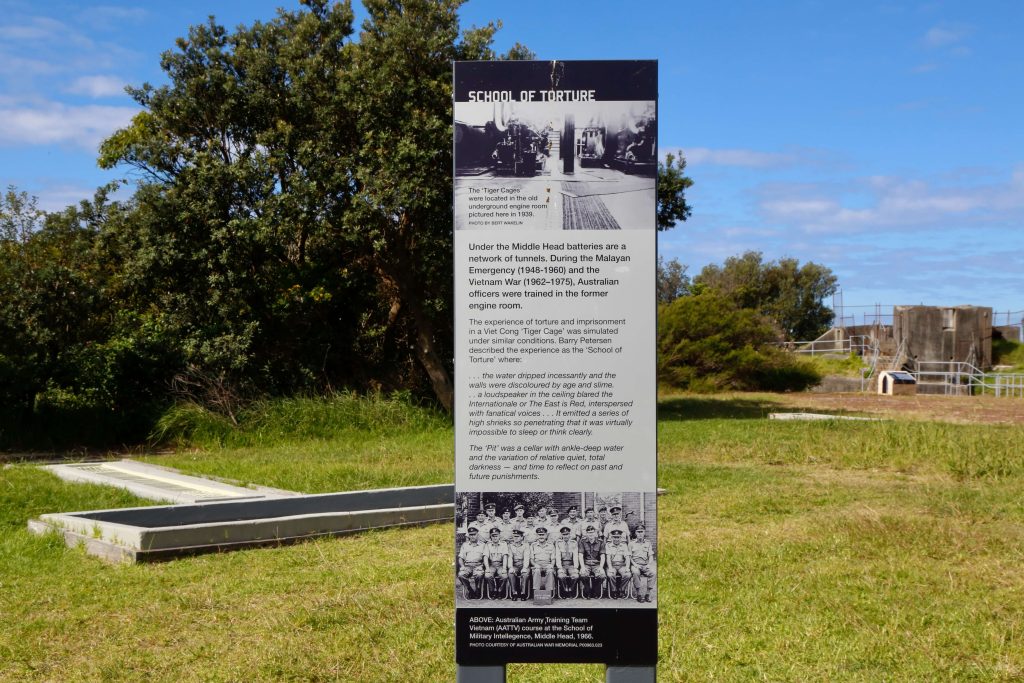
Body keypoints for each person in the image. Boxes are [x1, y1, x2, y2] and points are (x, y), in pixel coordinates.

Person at [577, 523, 606, 599]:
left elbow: (602, 556)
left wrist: (601, 567)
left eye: (592, 532)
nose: (591, 534)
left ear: (596, 533)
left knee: (602, 576)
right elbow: (580, 555)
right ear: (586, 533)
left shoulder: (600, 542)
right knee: (583, 575)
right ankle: (587, 591)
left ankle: (595, 590)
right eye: (589, 532)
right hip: (586, 563)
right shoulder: (582, 541)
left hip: (596, 564)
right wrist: (582, 567)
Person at [457, 527, 486, 598]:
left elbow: (485, 558)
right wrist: (462, 567)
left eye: (474, 534)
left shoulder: (483, 545)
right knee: (461, 575)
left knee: (479, 574)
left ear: (477, 535)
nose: (472, 536)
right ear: (469, 535)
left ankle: (478, 590)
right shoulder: (465, 545)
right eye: (471, 535)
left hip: (478, 565)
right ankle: (470, 589)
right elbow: (461, 558)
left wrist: (482, 566)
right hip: (467, 566)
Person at [629, 524, 655, 603]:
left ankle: (648, 593)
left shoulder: (648, 543)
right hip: (635, 565)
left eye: (641, 532)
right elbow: (629, 557)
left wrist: (649, 565)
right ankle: (639, 594)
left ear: (644, 532)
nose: (640, 533)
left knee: (653, 572)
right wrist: (635, 564)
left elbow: (651, 556)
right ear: (635, 533)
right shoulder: (631, 543)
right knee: (636, 572)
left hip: (645, 565)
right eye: (638, 532)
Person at [529, 526, 557, 596]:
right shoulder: (533, 545)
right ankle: (536, 592)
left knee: (550, 570)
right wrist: (535, 565)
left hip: (548, 564)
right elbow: (531, 559)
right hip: (537, 564)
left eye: (543, 535)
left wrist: (551, 565)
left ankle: (549, 593)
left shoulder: (551, 545)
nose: (541, 536)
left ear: (546, 535)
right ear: (537, 535)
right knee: (537, 570)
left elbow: (553, 559)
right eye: (539, 535)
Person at [604, 528, 631, 598]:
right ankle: (614, 591)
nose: (616, 539)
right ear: (612, 538)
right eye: (614, 537)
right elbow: (608, 558)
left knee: (628, 574)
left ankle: (621, 590)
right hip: (612, 565)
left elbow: (627, 558)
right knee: (610, 574)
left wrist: (627, 568)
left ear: (621, 538)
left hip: (622, 565)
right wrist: (609, 568)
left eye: (618, 537)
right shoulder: (608, 545)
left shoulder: (624, 545)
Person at [483, 527, 509, 599]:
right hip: (492, 565)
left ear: (499, 536)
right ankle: (493, 590)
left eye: (496, 535)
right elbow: (485, 557)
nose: (495, 537)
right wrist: (487, 568)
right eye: (493, 536)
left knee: (504, 576)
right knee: (487, 575)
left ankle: (500, 590)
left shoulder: (504, 544)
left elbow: (505, 557)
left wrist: (504, 568)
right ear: (490, 536)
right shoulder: (487, 545)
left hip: (501, 565)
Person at [555, 524, 580, 596]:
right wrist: (559, 568)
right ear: (561, 535)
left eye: (567, 534)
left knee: (575, 576)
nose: (565, 536)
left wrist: (576, 568)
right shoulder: (558, 543)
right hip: (562, 564)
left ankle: (571, 589)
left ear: (569, 534)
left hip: (571, 564)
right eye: (564, 534)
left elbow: (575, 556)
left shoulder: (574, 543)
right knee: (561, 576)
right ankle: (564, 590)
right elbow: (558, 556)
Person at [507, 528, 531, 600]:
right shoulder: (510, 546)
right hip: (515, 565)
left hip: (523, 564)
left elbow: (526, 557)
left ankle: (523, 593)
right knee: (510, 574)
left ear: (521, 537)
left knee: (525, 574)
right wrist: (510, 567)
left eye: (517, 536)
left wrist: (525, 567)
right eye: (514, 536)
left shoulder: (526, 545)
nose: (515, 538)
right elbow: (510, 557)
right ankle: (514, 593)